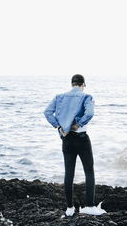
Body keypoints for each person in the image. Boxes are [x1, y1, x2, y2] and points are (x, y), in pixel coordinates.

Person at [43, 74, 106, 216]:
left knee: (69, 173)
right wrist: (79, 124)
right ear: (83, 84)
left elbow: (47, 112)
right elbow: (90, 113)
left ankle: (70, 208)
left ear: (72, 84)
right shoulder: (86, 97)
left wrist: (59, 127)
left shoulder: (59, 97)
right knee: (89, 171)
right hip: (82, 138)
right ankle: (89, 206)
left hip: (66, 138)